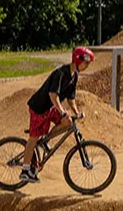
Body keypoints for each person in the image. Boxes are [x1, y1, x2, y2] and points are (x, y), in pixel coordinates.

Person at [21, 47, 93, 183]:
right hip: (39, 107)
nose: (87, 66)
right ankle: (25, 170)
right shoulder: (60, 73)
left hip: (50, 108)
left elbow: (71, 98)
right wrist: (62, 111)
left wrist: (76, 112)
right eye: (86, 63)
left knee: (68, 122)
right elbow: (53, 95)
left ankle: (46, 141)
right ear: (78, 60)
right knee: (34, 137)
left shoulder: (74, 76)